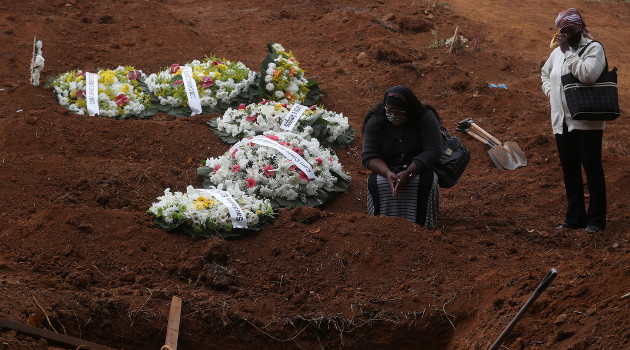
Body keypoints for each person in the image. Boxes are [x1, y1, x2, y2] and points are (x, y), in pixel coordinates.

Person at [541, 8, 607, 234]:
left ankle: (596, 220)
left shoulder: (593, 49)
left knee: (592, 170)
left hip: (587, 123)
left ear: (579, 28)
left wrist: (568, 52)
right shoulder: (557, 53)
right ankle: (575, 217)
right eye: (563, 31)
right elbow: (545, 73)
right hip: (561, 122)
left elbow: (587, 75)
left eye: (570, 30)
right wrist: (552, 93)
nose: (566, 35)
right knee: (570, 171)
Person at [361, 86, 442, 228]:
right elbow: (368, 155)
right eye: (389, 110)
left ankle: (422, 227)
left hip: (419, 169)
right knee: (377, 183)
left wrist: (410, 172)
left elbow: (433, 150)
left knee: (423, 183)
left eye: (399, 111)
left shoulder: (425, 117)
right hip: (387, 169)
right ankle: (381, 226)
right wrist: (387, 173)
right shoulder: (376, 120)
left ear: (409, 109)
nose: (393, 115)